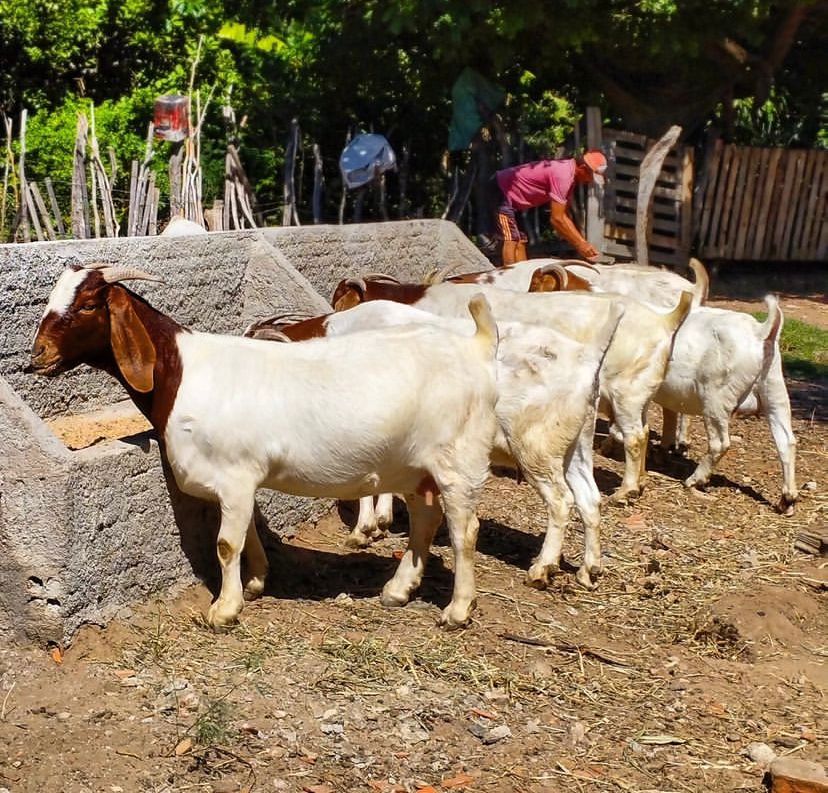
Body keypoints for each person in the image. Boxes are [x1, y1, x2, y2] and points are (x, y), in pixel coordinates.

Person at [493, 149, 608, 265]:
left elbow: (564, 215)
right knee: (511, 239)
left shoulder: (570, 175)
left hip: (515, 202)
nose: (590, 181)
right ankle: (508, 278)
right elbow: (557, 219)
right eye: (591, 176)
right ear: (582, 168)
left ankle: (523, 278)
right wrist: (581, 245)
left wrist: (582, 242)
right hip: (502, 190)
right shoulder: (563, 176)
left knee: (521, 240)